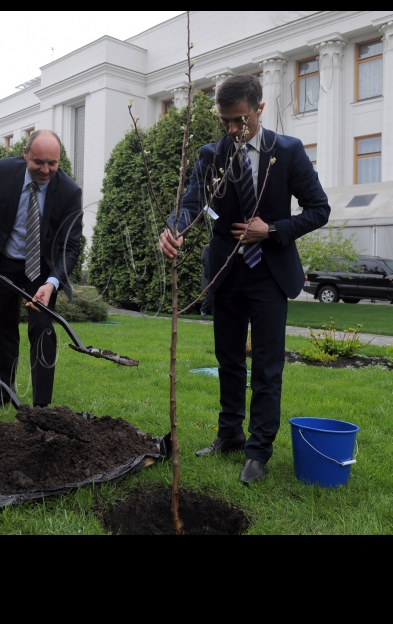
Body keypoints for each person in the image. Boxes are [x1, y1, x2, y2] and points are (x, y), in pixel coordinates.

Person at [159, 75, 330, 485]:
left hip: (269, 275)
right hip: (226, 273)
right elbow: (190, 205)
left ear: (259, 109)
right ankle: (229, 435)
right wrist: (174, 229)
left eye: (240, 120)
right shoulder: (210, 155)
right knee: (229, 361)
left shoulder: (287, 152)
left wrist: (269, 230)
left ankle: (258, 452)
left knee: (268, 367)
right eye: (225, 122)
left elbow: (318, 210)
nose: (233, 130)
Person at [0, 130, 83, 410]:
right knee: (4, 329)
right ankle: (2, 395)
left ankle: (41, 407)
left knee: (42, 330)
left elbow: (71, 246)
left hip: (42, 271)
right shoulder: (4, 171)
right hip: (4, 262)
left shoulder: (69, 192)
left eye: (52, 163)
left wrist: (52, 283)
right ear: (25, 154)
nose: (45, 170)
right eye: (39, 162)